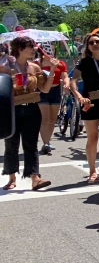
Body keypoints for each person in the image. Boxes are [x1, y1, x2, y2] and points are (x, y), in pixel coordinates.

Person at [3, 37, 57, 191]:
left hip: (32, 108)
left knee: (31, 145)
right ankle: (11, 177)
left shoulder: (35, 67)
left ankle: (35, 177)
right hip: (12, 109)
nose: (34, 49)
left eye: (34, 47)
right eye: (30, 47)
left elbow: (45, 90)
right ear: (20, 48)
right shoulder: (5, 66)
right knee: (11, 144)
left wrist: (52, 70)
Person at [71, 33, 99, 185]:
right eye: (91, 43)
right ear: (88, 47)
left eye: (98, 41)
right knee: (93, 137)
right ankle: (92, 171)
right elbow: (74, 81)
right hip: (89, 102)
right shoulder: (84, 62)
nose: (95, 44)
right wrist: (79, 96)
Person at [37, 46, 68, 156]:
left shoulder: (60, 63)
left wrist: (66, 83)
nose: (49, 52)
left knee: (52, 119)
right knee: (44, 118)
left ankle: (48, 141)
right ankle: (45, 143)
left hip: (55, 91)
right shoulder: (38, 64)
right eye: (46, 50)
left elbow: (65, 76)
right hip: (42, 91)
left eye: (52, 50)